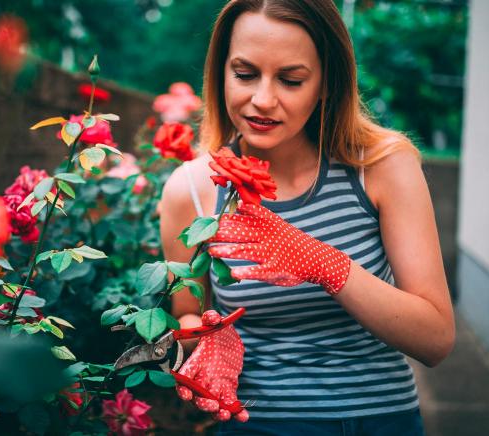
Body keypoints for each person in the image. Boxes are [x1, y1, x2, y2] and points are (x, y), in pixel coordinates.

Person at [158, 0, 455, 434]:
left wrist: (326, 266)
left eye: (291, 80)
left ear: (327, 84)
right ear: (220, 71)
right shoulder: (191, 191)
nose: (262, 99)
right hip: (256, 424)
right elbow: (187, 312)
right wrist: (204, 344)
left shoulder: (382, 168)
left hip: (378, 421)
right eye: (244, 74)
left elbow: (436, 339)